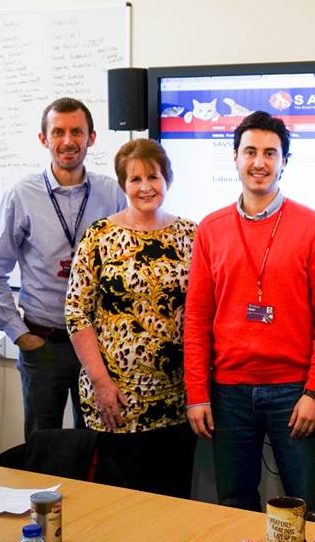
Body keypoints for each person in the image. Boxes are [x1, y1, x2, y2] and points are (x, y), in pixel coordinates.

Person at [184, 111, 315, 516]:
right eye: (250, 151)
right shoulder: (211, 229)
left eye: (270, 153)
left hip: (293, 392)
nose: (259, 162)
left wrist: (314, 392)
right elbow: (197, 319)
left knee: (304, 507)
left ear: (284, 161)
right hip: (228, 391)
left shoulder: (314, 227)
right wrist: (197, 393)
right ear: (234, 158)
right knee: (233, 505)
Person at [0, 97, 126, 439]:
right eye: (58, 132)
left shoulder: (113, 193)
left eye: (77, 131)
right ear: (43, 139)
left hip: (97, 349)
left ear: (91, 137)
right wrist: (20, 334)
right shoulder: (22, 195)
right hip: (43, 346)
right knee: (41, 442)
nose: (68, 141)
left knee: (95, 441)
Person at [63, 139, 197, 497]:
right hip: (116, 399)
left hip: (174, 401)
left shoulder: (191, 235)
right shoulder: (99, 237)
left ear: (167, 180)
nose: (145, 187)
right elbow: (77, 314)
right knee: (118, 504)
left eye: (153, 177)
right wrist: (102, 385)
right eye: (134, 179)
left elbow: (202, 312)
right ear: (123, 185)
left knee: (172, 502)